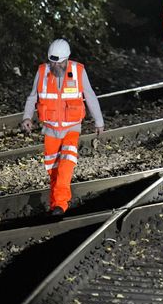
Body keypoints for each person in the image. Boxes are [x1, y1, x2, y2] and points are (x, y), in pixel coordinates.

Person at [20, 38, 105, 215]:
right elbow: (32, 97)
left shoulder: (78, 71)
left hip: (71, 128)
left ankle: (60, 204)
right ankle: (55, 205)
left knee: (67, 163)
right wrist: (27, 118)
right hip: (50, 129)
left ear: (67, 60)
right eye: (52, 62)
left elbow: (89, 95)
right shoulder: (43, 72)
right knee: (53, 169)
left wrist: (99, 121)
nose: (54, 66)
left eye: (58, 63)